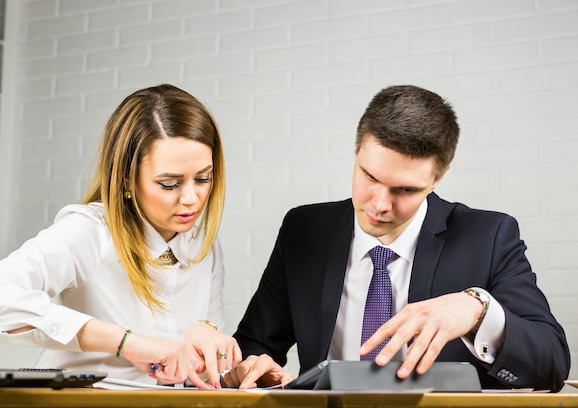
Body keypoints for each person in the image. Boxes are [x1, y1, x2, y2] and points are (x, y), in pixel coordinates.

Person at [223, 85, 570, 392]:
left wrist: (477, 310)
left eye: (405, 189)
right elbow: (255, 344)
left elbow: (552, 364)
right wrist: (255, 367)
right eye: (369, 176)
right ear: (357, 152)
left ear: (439, 177)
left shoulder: (489, 237)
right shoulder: (304, 230)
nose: (379, 204)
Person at [0, 84, 241, 389]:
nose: (191, 198)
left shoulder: (203, 246)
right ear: (127, 177)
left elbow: (200, 369)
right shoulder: (91, 231)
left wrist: (229, 368)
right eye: (170, 184)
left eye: (203, 178)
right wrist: (124, 342)